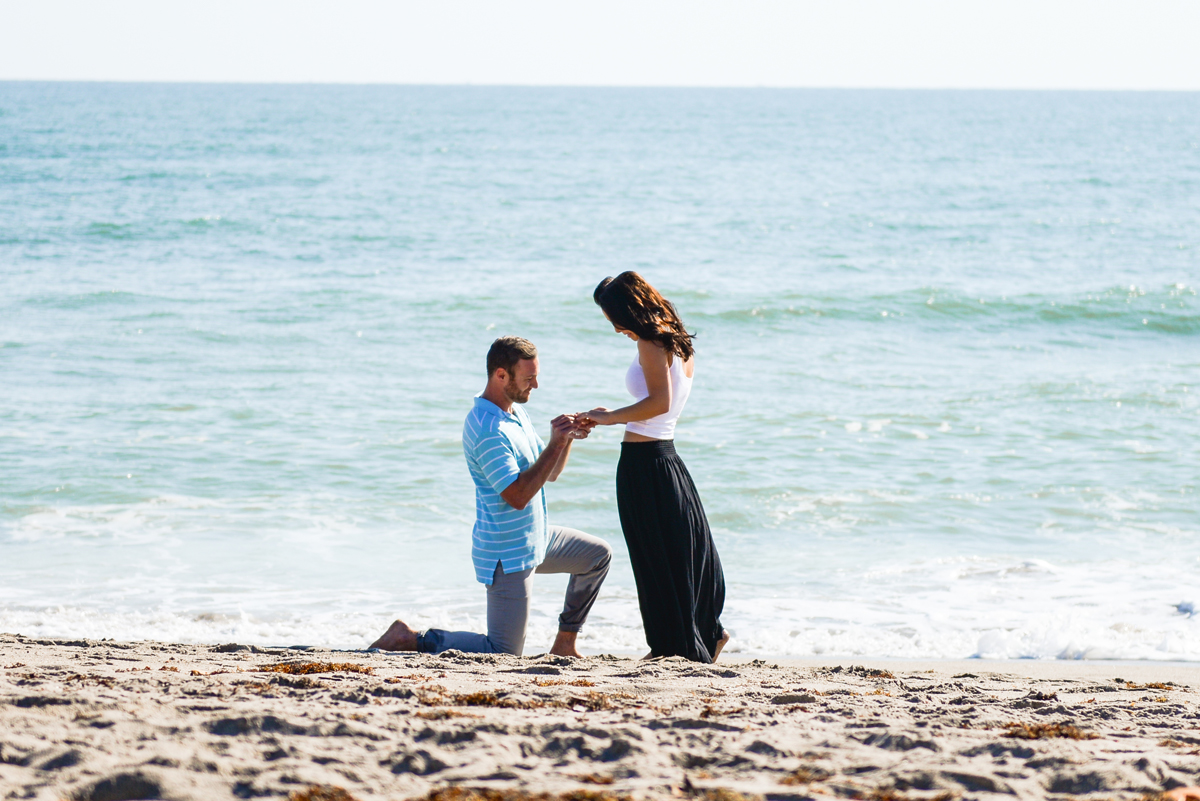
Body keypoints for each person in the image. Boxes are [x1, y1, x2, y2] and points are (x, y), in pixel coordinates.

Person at [369, 336, 612, 657]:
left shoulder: (513, 414)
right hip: (507, 551)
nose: (536, 385)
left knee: (597, 556)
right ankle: (412, 638)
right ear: (501, 375)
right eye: (529, 378)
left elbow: (549, 473)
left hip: (537, 537)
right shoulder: (487, 428)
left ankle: (564, 645)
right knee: (503, 651)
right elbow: (517, 496)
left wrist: (567, 439)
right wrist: (555, 443)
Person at [578, 272, 729, 663]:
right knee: (678, 552)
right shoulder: (677, 339)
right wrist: (609, 416)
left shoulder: (651, 341)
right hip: (667, 459)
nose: (614, 329)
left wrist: (607, 417)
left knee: (654, 557)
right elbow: (663, 402)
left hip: (645, 463)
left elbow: (658, 403)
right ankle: (703, 633)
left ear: (628, 309)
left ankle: (672, 647)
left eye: (613, 318)